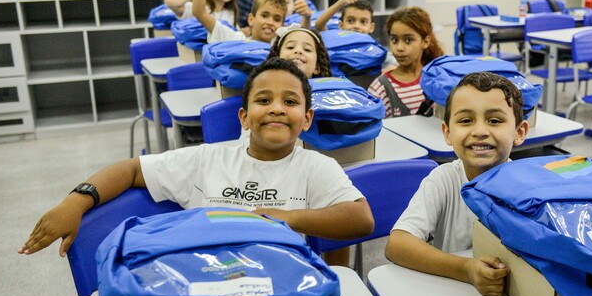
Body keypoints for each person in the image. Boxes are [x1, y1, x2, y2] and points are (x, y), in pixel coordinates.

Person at [20, 57, 375, 257]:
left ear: (307, 119)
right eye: (263, 100)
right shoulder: (207, 159)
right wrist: (77, 200)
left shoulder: (315, 166)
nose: (277, 109)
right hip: (203, 279)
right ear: (244, 117)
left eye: (291, 102)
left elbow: (360, 219)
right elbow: (130, 170)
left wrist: (285, 217)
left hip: (278, 288)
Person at [385, 72, 529, 296]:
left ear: (519, 132)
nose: (480, 131)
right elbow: (398, 244)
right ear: (447, 133)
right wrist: (466, 269)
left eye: (494, 120)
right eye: (465, 120)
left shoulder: (531, 188)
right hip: (453, 293)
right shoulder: (443, 180)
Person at [368, 6, 444, 116]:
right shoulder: (380, 89)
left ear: (425, 42)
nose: (399, 47)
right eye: (394, 40)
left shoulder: (437, 78)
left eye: (408, 40)